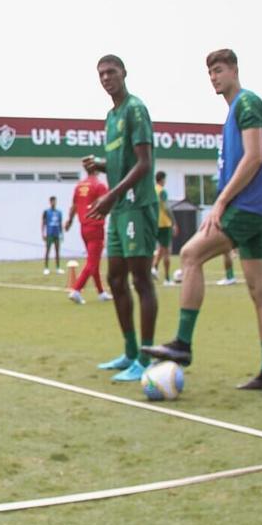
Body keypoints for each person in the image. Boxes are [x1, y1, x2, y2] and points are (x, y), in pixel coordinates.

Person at [143, 49, 262, 390]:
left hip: (247, 207)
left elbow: (254, 157)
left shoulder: (247, 104)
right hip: (258, 209)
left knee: (191, 255)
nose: (214, 77)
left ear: (234, 70)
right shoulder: (234, 111)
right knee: (259, 290)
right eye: (209, 73)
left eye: (219, 70)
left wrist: (220, 201)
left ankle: (183, 344)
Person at [87, 56, 158, 382]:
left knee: (140, 281)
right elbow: (123, 161)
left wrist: (111, 194)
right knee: (115, 279)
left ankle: (146, 356)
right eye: (101, 74)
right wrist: (101, 166)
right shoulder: (111, 116)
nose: (106, 78)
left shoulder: (135, 109)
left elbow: (144, 163)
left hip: (136, 205)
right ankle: (129, 352)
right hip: (118, 210)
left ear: (124, 73)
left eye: (111, 72)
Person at [65, 158, 111, 304]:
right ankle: (76, 290)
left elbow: (74, 206)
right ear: (97, 168)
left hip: (83, 227)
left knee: (94, 261)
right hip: (96, 227)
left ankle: (101, 292)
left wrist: (69, 221)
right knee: (92, 262)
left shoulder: (79, 185)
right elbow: (109, 203)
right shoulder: (99, 185)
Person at [153, 170, 174, 285]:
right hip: (164, 223)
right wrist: (174, 222)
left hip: (155, 223)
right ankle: (167, 279)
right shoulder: (162, 191)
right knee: (167, 251)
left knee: (160, 248)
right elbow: (166, 207)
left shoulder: (152, 190)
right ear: (162, 179)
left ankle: (154, 268)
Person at [40, 196, 64, 275]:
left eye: (55, 201)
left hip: (56, 234)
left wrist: (61, 234)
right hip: (49, 234)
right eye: (52, 201)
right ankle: (46, 268)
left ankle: (58, 268)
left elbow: (60, 224)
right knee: (47, 251)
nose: (54, 203)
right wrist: (43, 233)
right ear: (50, 202)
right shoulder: (46, 212)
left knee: (57, 251)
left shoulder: (59, 212)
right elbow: (43, 223)